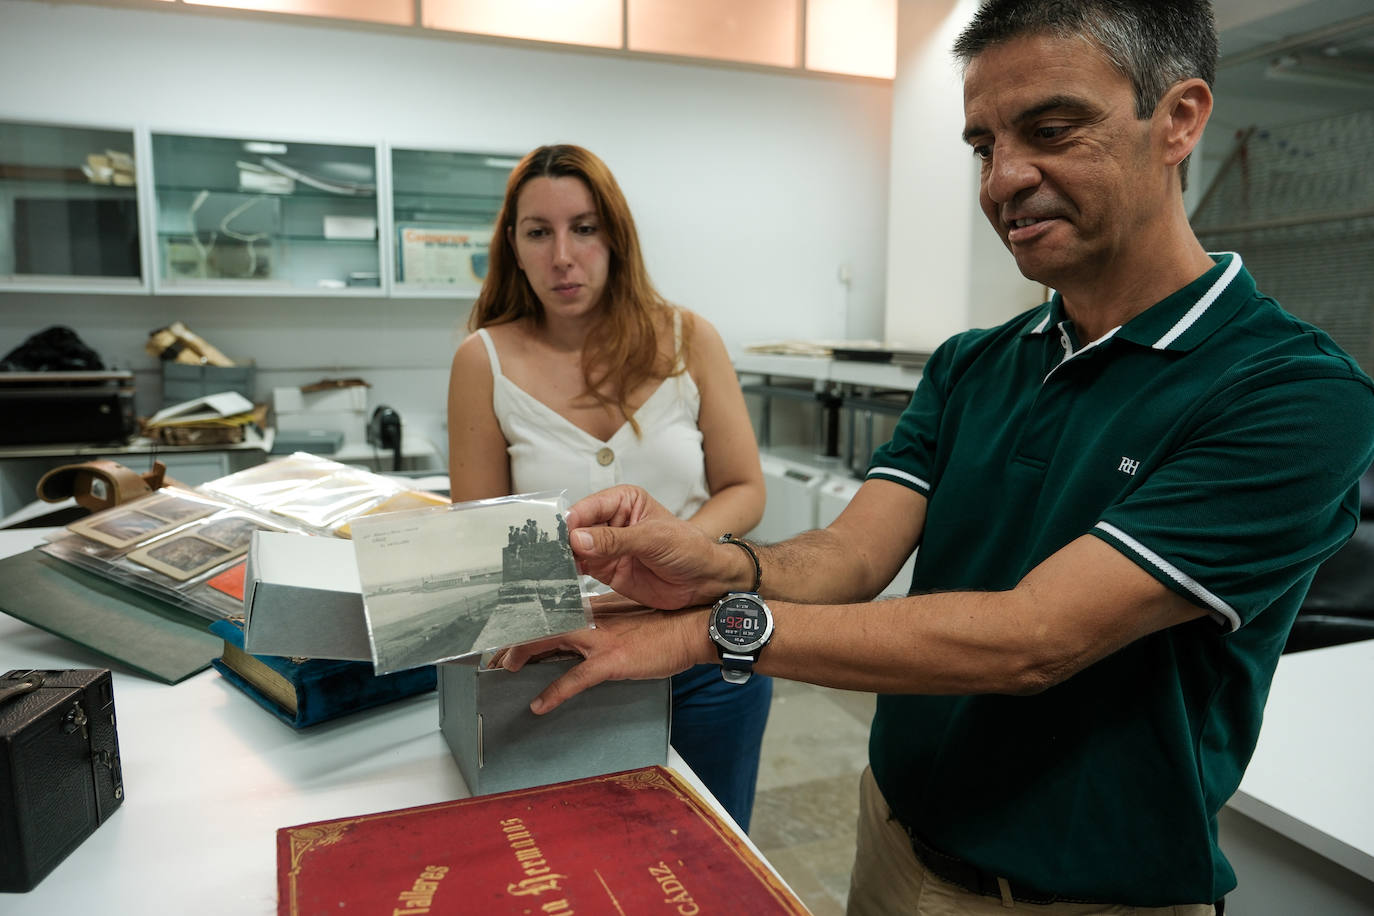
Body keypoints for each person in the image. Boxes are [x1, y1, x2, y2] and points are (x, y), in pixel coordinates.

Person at [498, 2, 1374, 913]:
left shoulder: (1291, 394)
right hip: (893, 839)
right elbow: (850, 554)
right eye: (983, 146)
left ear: (1180, 119)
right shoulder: (971, 366)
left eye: (1051, 130)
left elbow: (1034, 639)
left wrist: (709, 631)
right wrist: (715, 565)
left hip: (1084, 893)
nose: (1004, 180)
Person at [446, 144, 772, 831]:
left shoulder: (689, 338)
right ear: (514, 247)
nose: (563, 256)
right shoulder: (483, 360)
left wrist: (676, 551)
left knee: (713, 847)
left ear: (616, 236)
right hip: (562, 656)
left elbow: (744, 487)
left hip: (706, 646)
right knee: (580, 852)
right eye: (539, 232)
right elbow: (479, 528)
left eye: (585, 228)